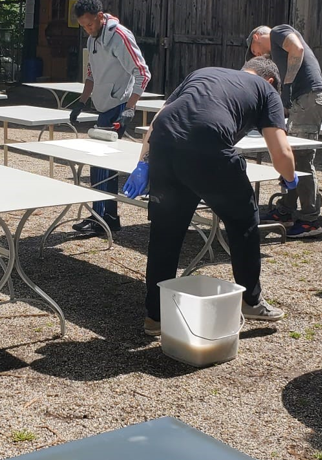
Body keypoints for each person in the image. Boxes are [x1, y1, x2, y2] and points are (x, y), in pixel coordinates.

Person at [122, 57, 297, 336]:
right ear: (271, 80)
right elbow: (281, 151)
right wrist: (290, 179)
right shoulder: (266, 91)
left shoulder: (204, 73)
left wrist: (143, 163)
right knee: (243, 222)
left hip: (164, 143)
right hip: (209, 144)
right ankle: (251, 301)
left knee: (165, 233)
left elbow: (158, 119)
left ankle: (156, 316)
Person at [68, 0, 152, 236]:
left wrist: (130, 108)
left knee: (101, 162)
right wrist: (82, 101)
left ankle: (103, 218)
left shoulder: (120, 36)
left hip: (119, 104)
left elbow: (143, 73)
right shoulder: (92, 38)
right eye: (83, 26)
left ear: (100, 17)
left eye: (90, 24)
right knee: (100, 163)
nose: (87, 29)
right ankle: (107, 217)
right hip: (102, 105)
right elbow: (91, 73)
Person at [248, 25, 322, 238]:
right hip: (302, 100)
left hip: (309, 99)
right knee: (290, 155)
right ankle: (286, 210)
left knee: (301, 158)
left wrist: (287, 86)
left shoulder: (278, 31)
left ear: (257, 37)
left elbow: (297, 48)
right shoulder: (277, 52)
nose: (258, 55)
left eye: (255, 50)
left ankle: (310, 220)